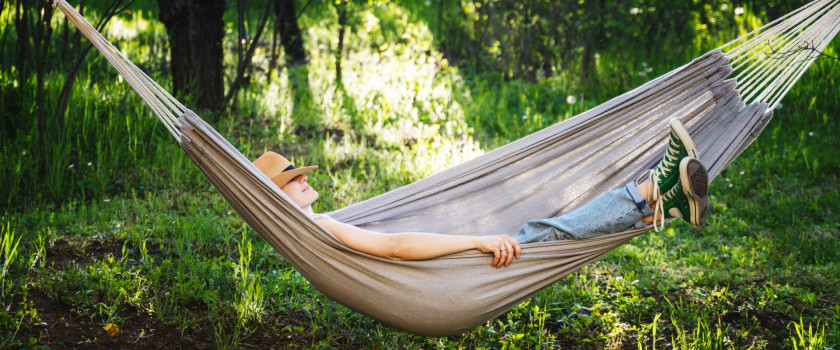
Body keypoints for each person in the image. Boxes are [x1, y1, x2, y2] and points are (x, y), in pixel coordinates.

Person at [254, 119, 709, 268]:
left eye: (300, 174)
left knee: (544, 232)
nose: (304, 179)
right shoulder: (321, 226)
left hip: (436, 278)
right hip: (445, 279)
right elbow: (394, 247)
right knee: (537, 232)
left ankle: (658, 205)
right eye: (293, 181)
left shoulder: (313, 228)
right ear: (277, 200)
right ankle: (650, 190)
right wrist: (476, 240)